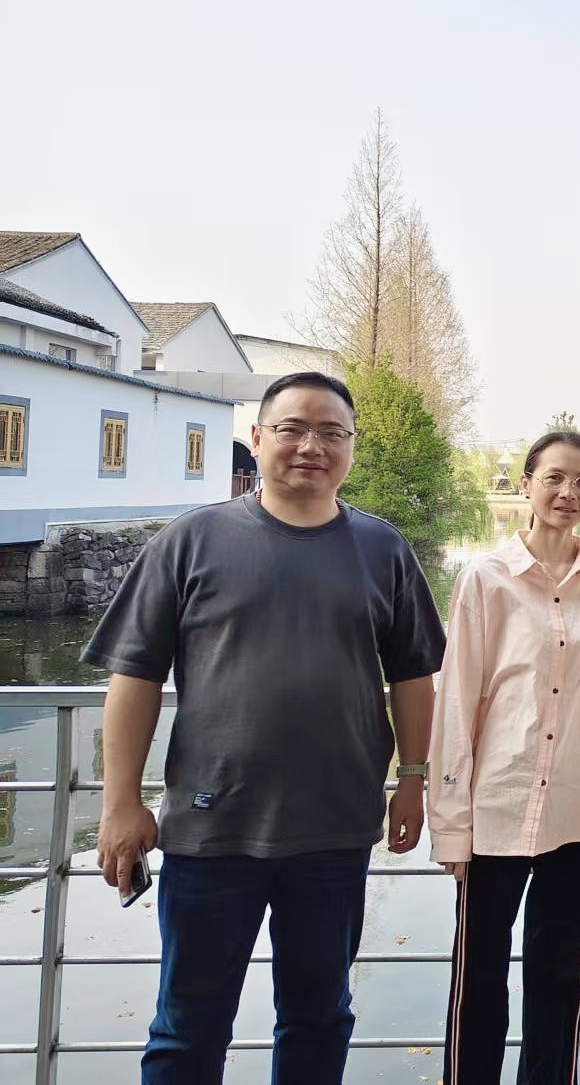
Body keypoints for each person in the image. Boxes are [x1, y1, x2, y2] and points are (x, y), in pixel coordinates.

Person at [85, 371, 445, 1085]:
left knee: (318, 1018)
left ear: (352, 447)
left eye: (332, 433)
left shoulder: (383, 549)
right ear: (257, 438)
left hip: (335, 830)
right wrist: (119, 802)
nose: (312, 446)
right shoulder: (191, 541)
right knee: (187, 1028)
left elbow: (412, 675)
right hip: (210, 829)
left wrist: (412, 779)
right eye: (293, 428)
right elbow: (134, 677)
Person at [428, 430, 580, 1084]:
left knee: (558, 973)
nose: (568, 493)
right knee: (479, 974)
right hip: (496, 805)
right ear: (525, 485)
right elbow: (457, 701)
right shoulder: (485, 579)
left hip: (576, 807)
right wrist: (451, 823)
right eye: (554, 478)